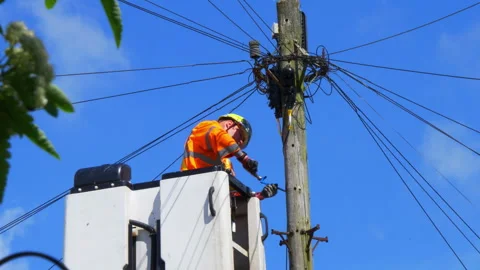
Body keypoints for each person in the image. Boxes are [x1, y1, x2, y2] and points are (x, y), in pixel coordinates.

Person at [180, 113, 278, 200]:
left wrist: (259, 195)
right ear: (229, 125)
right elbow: (219, 136)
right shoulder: (207, 126)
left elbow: (231, 194)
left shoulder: (225, 163)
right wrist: (243, 158)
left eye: (242, 143)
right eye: (240, 135)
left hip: (208, 201)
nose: (240, 143)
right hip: (190, 187)